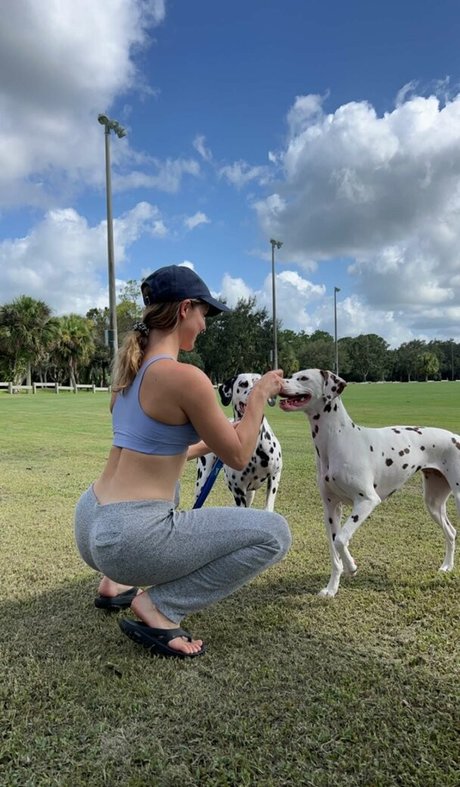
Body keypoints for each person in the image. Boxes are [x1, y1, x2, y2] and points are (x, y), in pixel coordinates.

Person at [74, 265, 291, 658]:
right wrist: (259, 394)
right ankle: (159, 606)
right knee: (274, 533)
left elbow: (156, 451)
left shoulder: (129, 370)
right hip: (128, 538)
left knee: (168, 480)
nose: (204, 326)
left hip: (91, 520)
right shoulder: (186, 378)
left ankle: (114, 585)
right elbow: (241, 455)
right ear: (184, 309)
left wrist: (211, 441)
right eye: (204, 315)